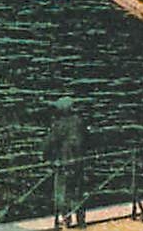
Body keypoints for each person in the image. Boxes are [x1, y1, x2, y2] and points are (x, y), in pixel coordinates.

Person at [46, 97, 86, 227]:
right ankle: (81, 222)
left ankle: (66, 222)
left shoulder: (58, 124)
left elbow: (49, 143)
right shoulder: (79, 122)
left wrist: (46, 157)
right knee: (78, 193)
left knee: (62, 194)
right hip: (78, 163)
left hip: (64, 164)